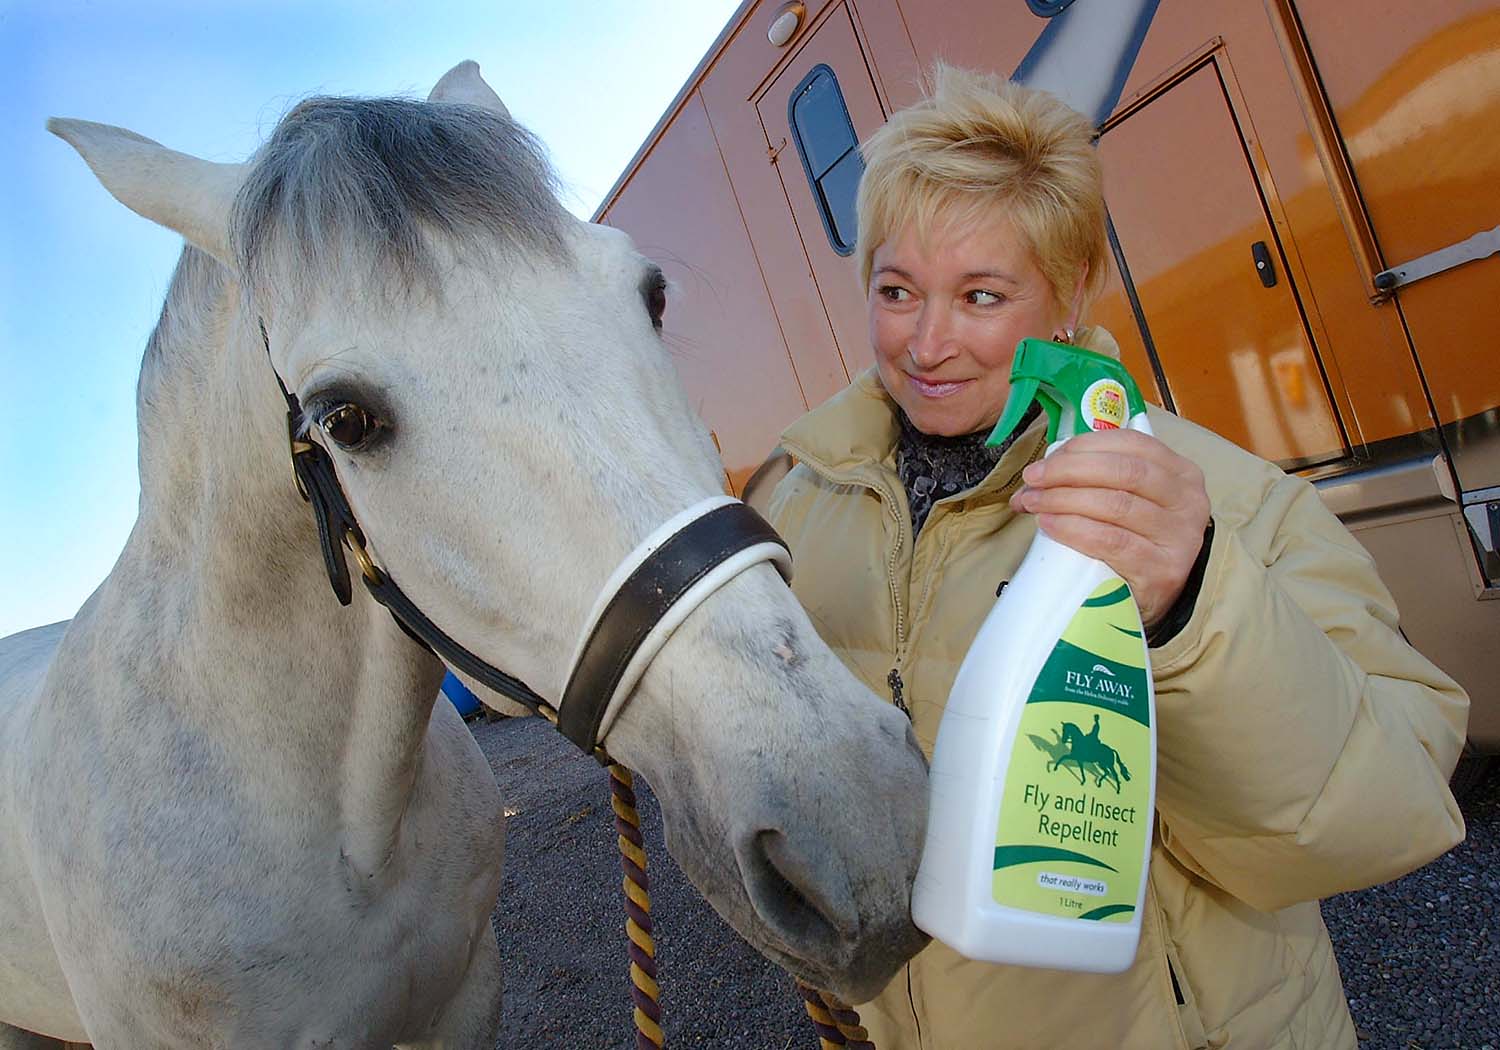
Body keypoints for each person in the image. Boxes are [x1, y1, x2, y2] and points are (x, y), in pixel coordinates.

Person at [766, 65, 1469, 1049]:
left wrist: (1192, 606)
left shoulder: (1212, 496)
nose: (928, 343)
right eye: (896, 290)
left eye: (980, 294)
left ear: (1069, 295)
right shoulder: (796, 505)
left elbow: (1390, 803)